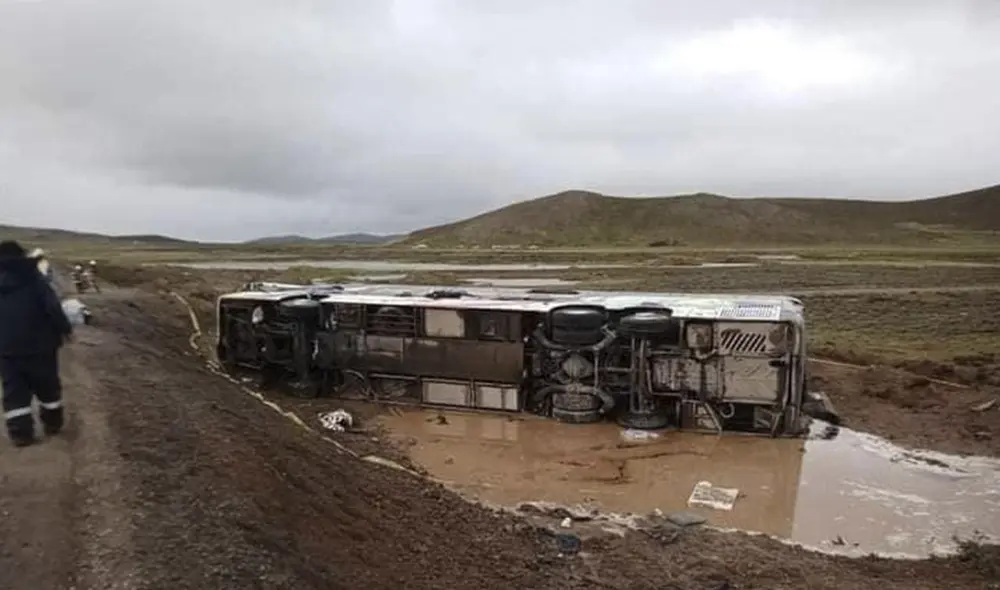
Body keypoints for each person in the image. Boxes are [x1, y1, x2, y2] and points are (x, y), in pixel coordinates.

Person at [0, 240, 73, 447]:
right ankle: (52, 424)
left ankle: (21, 434)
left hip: (6, 349)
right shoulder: (34, 278)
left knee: (14, 391)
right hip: (41, 345)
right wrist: (65, 329)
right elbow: (52, 306)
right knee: (47, 385)